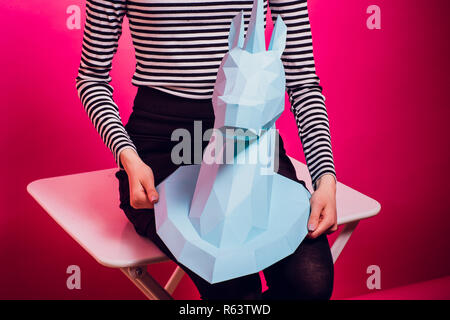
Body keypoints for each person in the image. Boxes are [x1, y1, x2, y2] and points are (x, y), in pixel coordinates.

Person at [75, 0, 337, 300]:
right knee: (234, 290)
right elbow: (91, 77)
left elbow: (302, 81)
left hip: (250, 144)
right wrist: (128, 156)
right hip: (166, 146)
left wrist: (325, 178)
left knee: (310, 284)